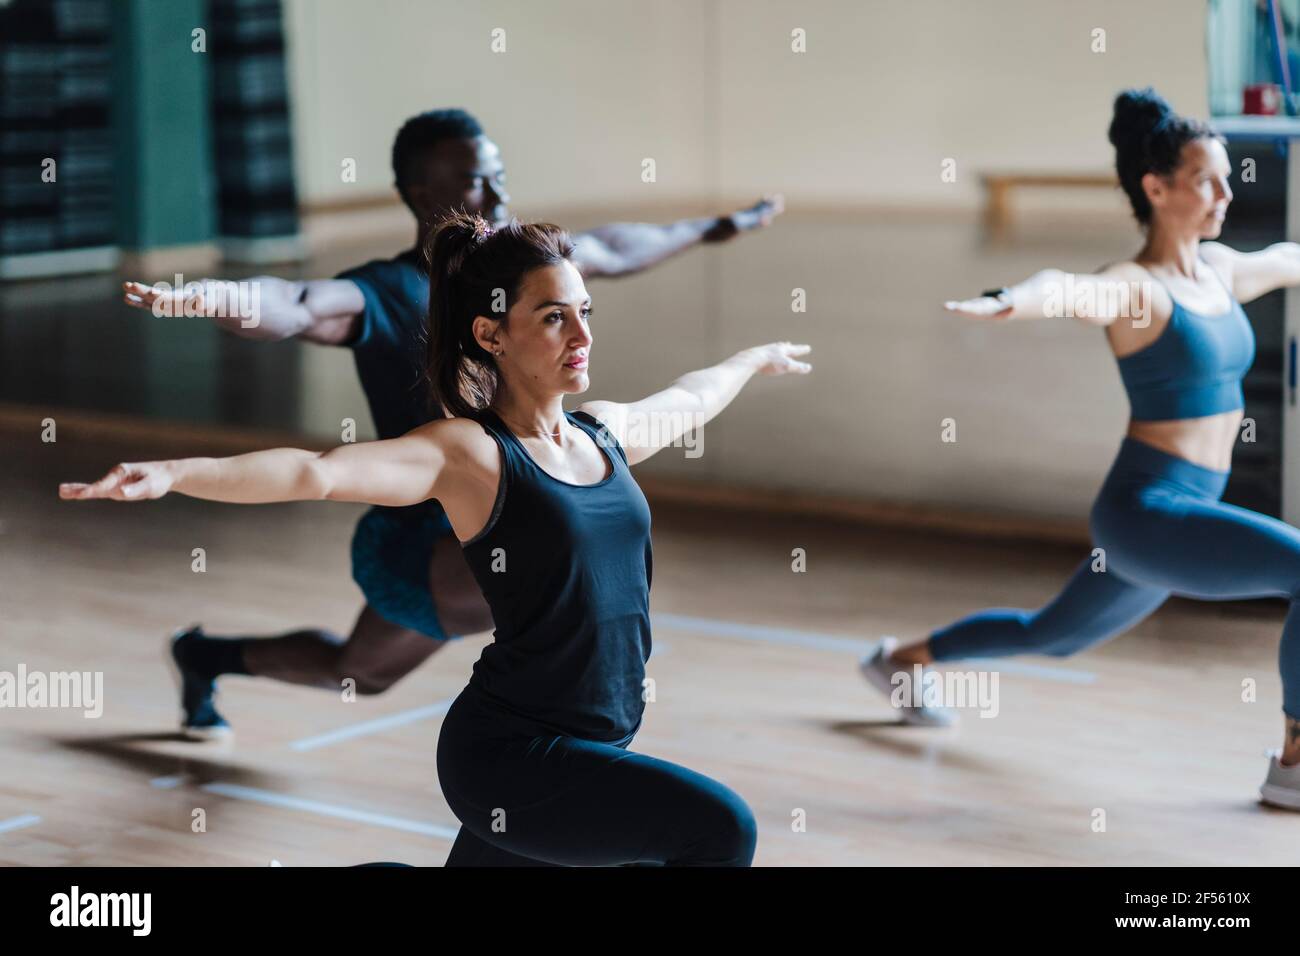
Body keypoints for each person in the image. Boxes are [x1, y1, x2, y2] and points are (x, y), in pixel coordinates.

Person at [67, 213, 812, 865]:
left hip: (592, 739)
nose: (583, 335)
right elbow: (315, 472)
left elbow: (688, 397)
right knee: (719, 831)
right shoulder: (471, 455)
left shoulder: (604, 436)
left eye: (586, 311)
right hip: (513, 757)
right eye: (554, 317)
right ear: (491, 331)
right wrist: (173, 471)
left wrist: (750, 360)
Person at [121, 108, 783, 738]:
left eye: (497, 172)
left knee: (359, 673)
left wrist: (716, 225)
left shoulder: (532, 273)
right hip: (423, 544)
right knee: (563, 568)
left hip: (502, 525)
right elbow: (291, 303)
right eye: (472, 177)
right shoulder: (383, 291)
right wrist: (210, 295)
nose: (494, 190)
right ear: (417, 190)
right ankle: (533, 751)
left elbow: (614, 246)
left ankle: (204, 657)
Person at [860, 88, 1300, 810]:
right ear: (1155, 188)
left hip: (1181, 512)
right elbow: (1066, 290)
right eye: (1206, 181)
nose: (1225, 192)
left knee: (1052, 635)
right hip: (1149, 512)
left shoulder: (1219, 272)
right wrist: (1011, 299)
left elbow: (1286, 257)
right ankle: (1294, 765)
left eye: (1226, 177)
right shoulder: (1136, 289)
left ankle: (901, 662)